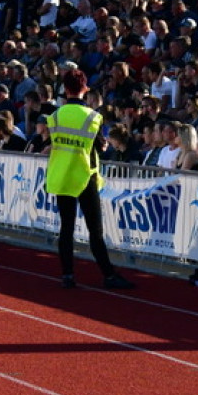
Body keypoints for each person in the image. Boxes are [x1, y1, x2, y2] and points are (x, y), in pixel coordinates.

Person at [45, 69, 134, 290]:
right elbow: (97, 145)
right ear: (85, 89)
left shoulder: (54, 116)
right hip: (85, 176)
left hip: (62, 175)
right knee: (95, 231)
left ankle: (67, 275)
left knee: (66, 229)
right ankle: (109, 275)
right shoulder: (94, 117)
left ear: (65, 90)